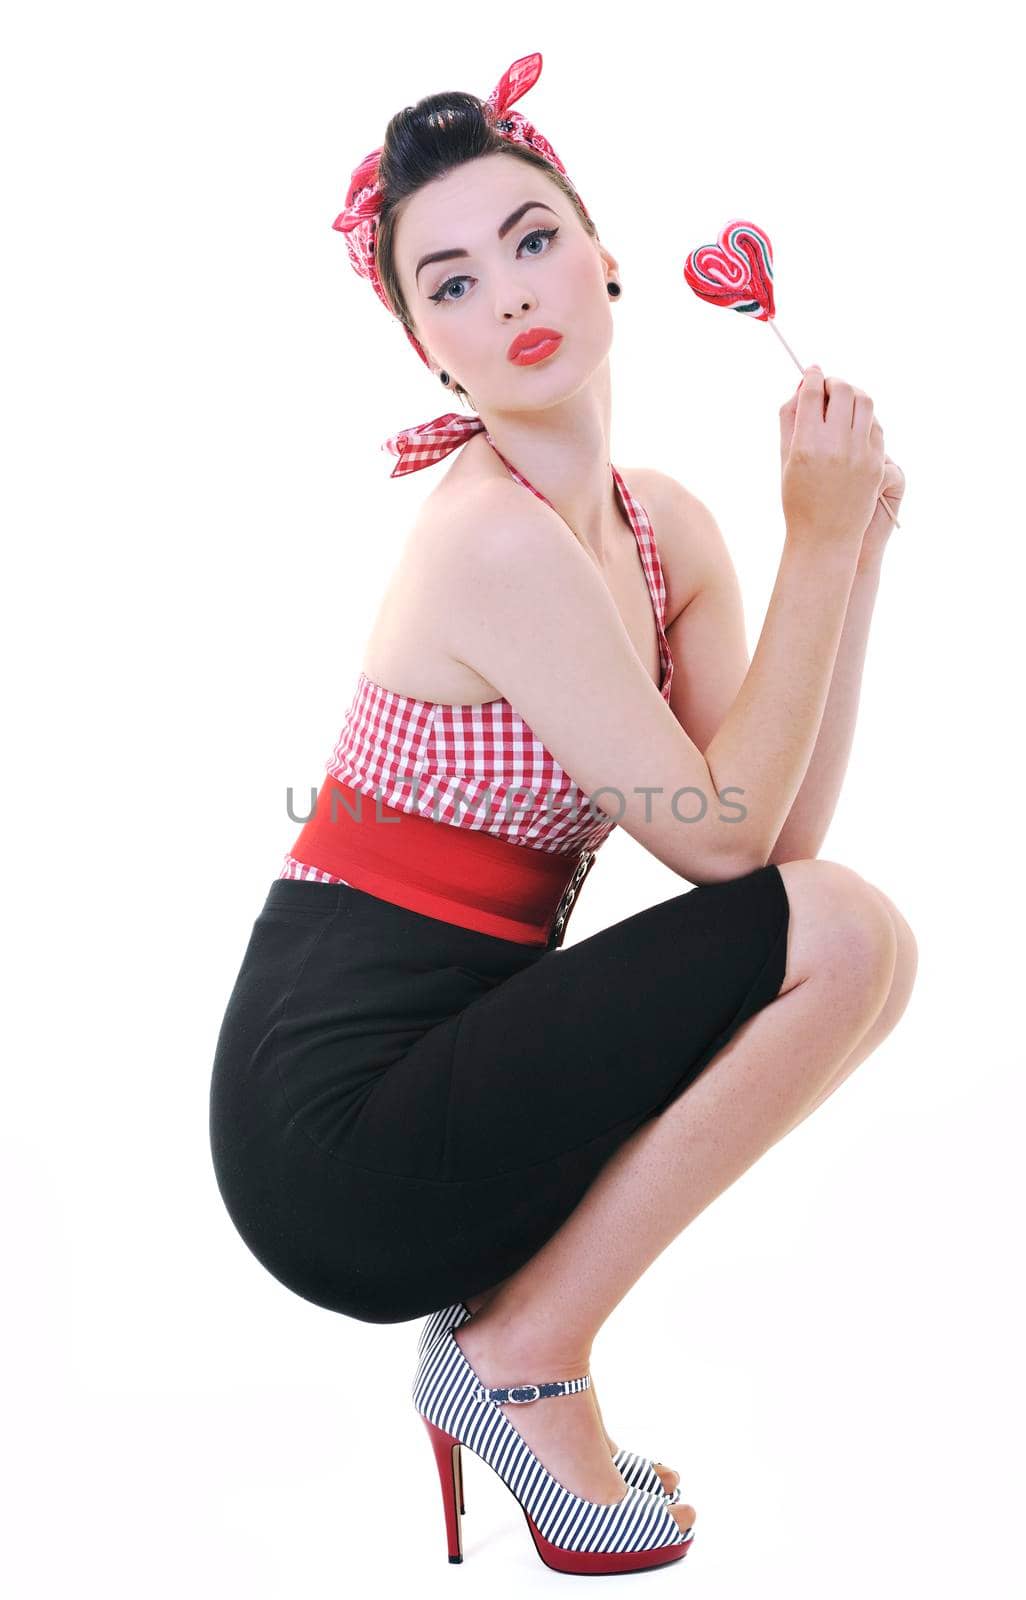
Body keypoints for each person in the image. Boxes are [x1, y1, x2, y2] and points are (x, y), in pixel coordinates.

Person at [208, 50, 915, 1574]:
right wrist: (812, 541)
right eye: (447, 284)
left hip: (457, 1081)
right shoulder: (492, 545)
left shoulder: (659, 527)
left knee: (850, 936)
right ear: (424, 350)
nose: (506, 295)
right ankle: (525, 1358)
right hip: (334, 1132)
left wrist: (845, 560)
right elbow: (721, 843)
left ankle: (522, 1346)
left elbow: (773, 848)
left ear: (604, 257)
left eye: (531, 241)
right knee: (847, 934)